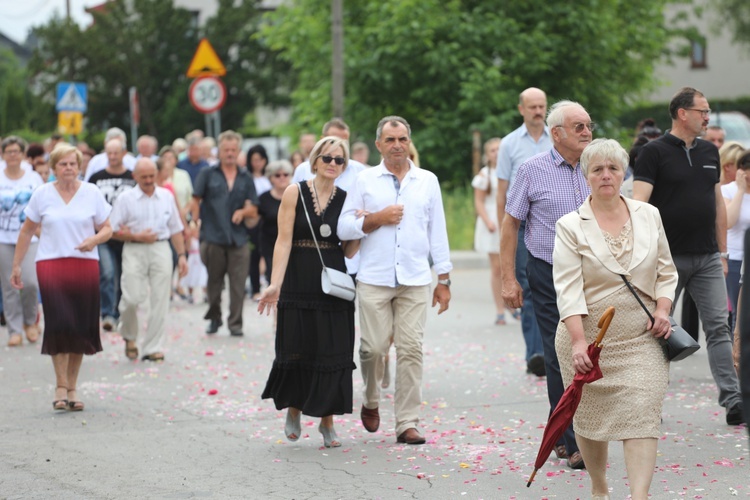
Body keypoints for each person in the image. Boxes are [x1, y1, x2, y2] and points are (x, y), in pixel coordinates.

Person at [553, 138, 678, 500]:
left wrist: (663, 309)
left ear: (624, 173)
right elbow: (568, 289)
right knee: (590, 420)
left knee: (642, 412)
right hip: (589, 340)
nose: (606, 175)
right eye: (597, 169)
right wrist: (578, 341)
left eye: (613, 168)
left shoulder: (648, 214)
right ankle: (599, 487)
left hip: (642, 337)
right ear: (586, 175)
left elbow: (666, 272)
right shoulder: (570, 225)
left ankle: (638, 497)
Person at [633, 86, 744, 426]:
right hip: (667, 259)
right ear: (683, 113)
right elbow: (639, 207)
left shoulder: (711, 152)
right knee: (657, 330)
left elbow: (718, 207)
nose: (707, 116)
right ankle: (646, 403)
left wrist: (722, 250)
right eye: (702, 111)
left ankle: (734, 400)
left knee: (718, 329)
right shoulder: (654, 153)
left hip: (708, 256)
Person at [338, 116, 452, 445]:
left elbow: (438, 232)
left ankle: (407, 422)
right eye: (390, 140)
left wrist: (444, 278)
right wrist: (376, 219)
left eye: (402, 139)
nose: (397, 145)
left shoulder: (427, 181)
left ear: (409, 142)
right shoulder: (364, 181)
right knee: (372, 350)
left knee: (411, 349)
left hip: (415, 279)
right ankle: (371, 398)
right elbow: (344, 227)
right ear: (379, 145)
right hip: (374, 277)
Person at [500, 100, 593, 469]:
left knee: (593, 350)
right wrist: (509, 278)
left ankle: (569, 430)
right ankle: (572, 441)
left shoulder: (597, 166)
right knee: (561, 352)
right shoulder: (531, 170)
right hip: (548, 271)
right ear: (557, 134)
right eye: (580, 127)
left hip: (594, 273)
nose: (588, 132)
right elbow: (511, 225)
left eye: (589, 125)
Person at [259, 136, 359, 448]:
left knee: (330, 347)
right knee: (298, 345)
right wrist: (275, 283)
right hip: (298, 279)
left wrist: (364, 224)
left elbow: (350, 250)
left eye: (339, 160)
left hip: (332, 279)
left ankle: (327, 422)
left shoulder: (347, 198)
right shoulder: (294, 192)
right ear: (314, 161)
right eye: (327, 158)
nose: (332, 164)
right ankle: (294, 408)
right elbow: (283, 240)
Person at [11, 144, 112, 412]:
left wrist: (94, 239)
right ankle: (59, 384)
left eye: (73, 164)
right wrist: (17, 265)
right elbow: (26, 231)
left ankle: (73, 387)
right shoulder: (42, 194)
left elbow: (108, 229)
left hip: (85, 265)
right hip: (51, 264)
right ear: (53, 167)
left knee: (80, 326)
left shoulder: (91, 192)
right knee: (59, 323)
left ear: (79, 167)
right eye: (63, 164)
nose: (68, 168)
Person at [496, 87, 551, 378]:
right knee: (527, 289)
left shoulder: (558, 138)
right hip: (522, 224)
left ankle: (555, 351)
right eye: (532, 107)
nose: (538, 111)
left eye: (541, 106)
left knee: (557, 287)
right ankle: (536, 354)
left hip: (555, 225)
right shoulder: (509, 144)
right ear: (521, 109)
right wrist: (504, 234)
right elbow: (502, 192)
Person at [110, 159, 187, 362]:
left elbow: (176, 228)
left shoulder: (166, 196)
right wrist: (136, 236)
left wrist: (181, 255)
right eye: (144, 177)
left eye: (152, 176)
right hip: (134, 249)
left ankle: (152, 347)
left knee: (160, 299)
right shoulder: (125, 198)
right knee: (131, 298)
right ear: (135, 177)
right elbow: (112, 230)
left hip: (161, 247)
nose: (148, 180)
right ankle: (129, 335)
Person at [191, 130, 258, 336]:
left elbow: (254, 208)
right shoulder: (207, 174)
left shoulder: (246, 176)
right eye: (226, 150)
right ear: (219, 151)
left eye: (233, 150)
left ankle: (235, 324)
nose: (229, 153)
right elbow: (196, 200)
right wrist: (195, 223)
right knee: (214, 281)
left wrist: (243, 211)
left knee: (238, 285)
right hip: (213, 236)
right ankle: (214, 317)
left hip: (238, 238)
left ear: (238, 151)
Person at [89, 138, 136, 332]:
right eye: (109, 153)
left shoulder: (133, 177)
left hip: (126, 235)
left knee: (124, 275)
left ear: (124, 153)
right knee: (107, 273)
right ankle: (108, 313)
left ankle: (119, 311)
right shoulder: (96, 178)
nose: (113, 156)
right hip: (104, 234)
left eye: (116, 153)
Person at [0, 137, 44, 347]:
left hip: (30, 237)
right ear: (3, 154)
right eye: (8, 151)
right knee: (9, 285)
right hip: (4, 238)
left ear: (23, 154)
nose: (13, 155)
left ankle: (30, 322)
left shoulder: (33, 177)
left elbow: (43, 205)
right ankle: (14, 330)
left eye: (16, 151)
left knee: (30, 282)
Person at [472, 137, 515, 324]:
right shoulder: (484, 175)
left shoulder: (511, 171)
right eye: (492, 150)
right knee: (497, 268)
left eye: (499, 149)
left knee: (512, 265)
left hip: (509, 220)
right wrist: (488, 221)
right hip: (491, 222)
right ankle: (499, 309)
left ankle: (512, 303)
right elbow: (479, 201)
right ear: (487, 155)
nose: (496, 153)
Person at [722, 150, 750, 333]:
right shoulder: (728, 190)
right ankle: (736, 359)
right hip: (735, 259)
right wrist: (741, 190)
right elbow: (728, 222)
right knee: (738, 316)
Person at [257, 160, 293, 284]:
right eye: (277, 175)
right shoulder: (263, 198)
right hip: (270, 246)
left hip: (292, 245)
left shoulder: (297, 197)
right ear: (271, 178)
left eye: (286, 174)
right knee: (274, 279)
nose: (282, 178)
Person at [247, 144, 272, 300]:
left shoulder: (270, 176)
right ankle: (255, 288)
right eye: (254, 160)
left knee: (269, 255)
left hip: (268, 219)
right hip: (254, 219)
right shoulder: (247, 178)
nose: (257, 163)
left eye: (260, 159)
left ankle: (271, 284)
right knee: (254, 255)